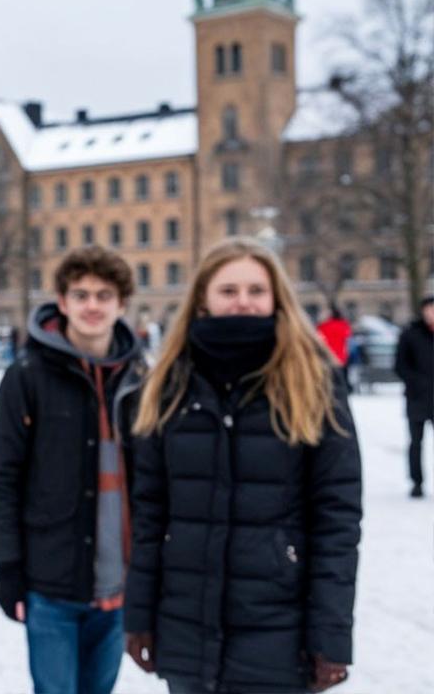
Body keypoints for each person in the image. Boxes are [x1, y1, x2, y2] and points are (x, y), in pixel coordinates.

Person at [124, 238, 361, 694]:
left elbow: (337, 518)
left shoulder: (313, 380)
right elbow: (151, 512)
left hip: (278, 630)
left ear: (276, 298)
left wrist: (330, 635)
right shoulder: (168, 383)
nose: (244, 302)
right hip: (186, 625)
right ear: (203, 300)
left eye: (256, 290)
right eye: (228, 290)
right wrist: (139, 616)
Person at [0, 246, 145, 694]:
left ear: (122, 303)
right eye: (81, 294)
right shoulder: (27, 376)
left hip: (118, 584)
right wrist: (8, 566)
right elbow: (2, 478)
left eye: (104, 294)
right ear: (62, 301)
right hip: (50, 580)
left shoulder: (140, 378)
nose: (92, 305)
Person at [395, 295, 434, 498]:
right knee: (416, 442)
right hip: (417, 397)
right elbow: (400, 365)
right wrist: (416, 382)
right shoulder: (411, 334)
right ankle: (416, 482)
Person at [317, 306, 353, 386]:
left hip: (328, 357)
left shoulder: (324, 326)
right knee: (342, 382)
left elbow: (318, 339)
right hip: (341, 358)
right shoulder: (344, 325)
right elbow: (348, 339)